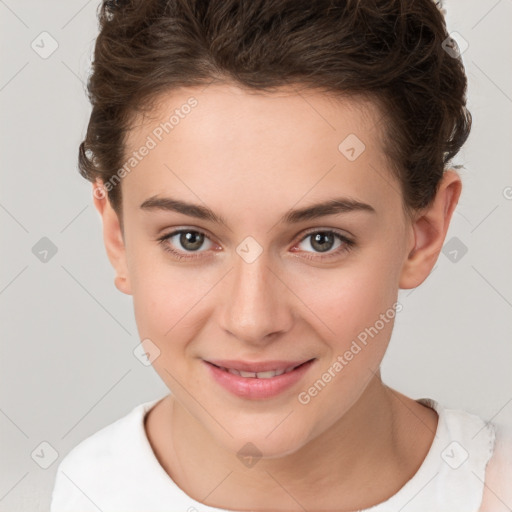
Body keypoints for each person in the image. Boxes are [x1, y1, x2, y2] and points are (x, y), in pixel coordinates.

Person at [50, 0, 512, 510]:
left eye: (321, 240)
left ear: (422, 235)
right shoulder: (87, 491)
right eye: (190, 239)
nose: (252, 321)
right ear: (117, 238)